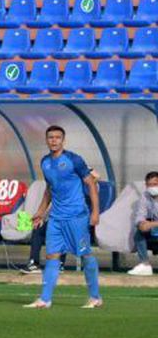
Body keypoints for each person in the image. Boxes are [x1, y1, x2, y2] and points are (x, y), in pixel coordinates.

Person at [24, 126, 103, 309]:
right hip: (56, 217)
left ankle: (96, 297)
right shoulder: (45, 162)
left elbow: (91, 184)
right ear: (46, 140)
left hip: (76, 216)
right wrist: (40, 212)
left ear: (63, 140)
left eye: (57, 137)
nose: (54, 140)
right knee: (52, 255)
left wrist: (95, 212)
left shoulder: (74, 159)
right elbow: (49, 189)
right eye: (50, 137)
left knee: (85, 254)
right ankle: (45, 299)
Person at [128, 171, 158, 276]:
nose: (152, 188)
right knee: (138, 231)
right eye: (149, 185)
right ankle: (144, 265)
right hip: (155, 230)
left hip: (155, 226)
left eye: (155, 184)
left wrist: (152, 224)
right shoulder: (145, 196)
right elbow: (140, 214)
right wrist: (141, 224)